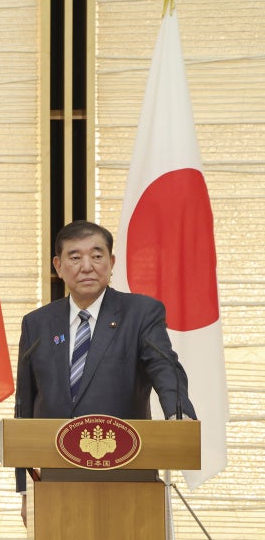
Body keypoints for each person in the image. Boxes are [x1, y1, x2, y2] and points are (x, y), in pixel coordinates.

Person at [14, 220, 196, 520]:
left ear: (111, 263)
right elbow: (24, 405)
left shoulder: (141, 313)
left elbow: (165, 366)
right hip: (53, 479)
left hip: (126, 473)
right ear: (58, 266)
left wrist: (178, 413)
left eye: (97, 256)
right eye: (75, 257)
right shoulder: (37, 324)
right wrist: (25, 489)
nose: (87, 266)